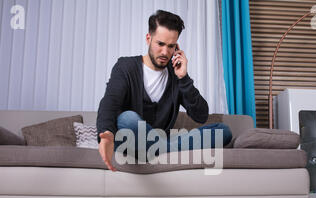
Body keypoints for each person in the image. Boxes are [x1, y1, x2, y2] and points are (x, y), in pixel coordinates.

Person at [96, 10, 232, 171]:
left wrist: (184, 78)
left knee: (223, 131)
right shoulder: (125, 67)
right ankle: (168, 150)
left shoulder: (176, 75)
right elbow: (110, 102)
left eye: (171, 46)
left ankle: (162, 150)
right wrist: (107, 134)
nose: (165, 52)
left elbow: (201, 115)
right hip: (130, 140)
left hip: (157, 142)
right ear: (148, 39)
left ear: (176, 47)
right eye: (160, 44)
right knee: (127, 118)